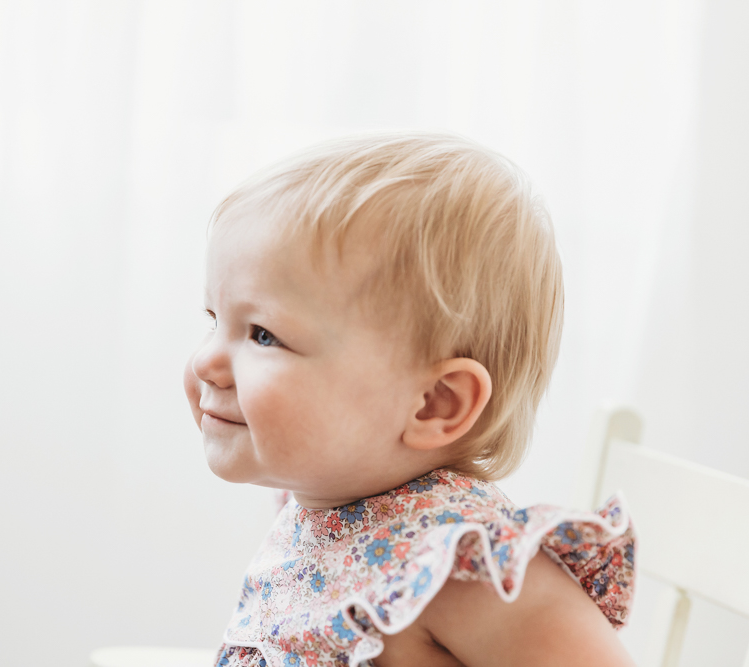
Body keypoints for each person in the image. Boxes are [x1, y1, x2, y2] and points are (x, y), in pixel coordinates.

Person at [183, 133, 636, 667]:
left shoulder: (460, 567)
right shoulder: (327, 504)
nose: (205, 362)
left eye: (263, 334)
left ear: (434, 404)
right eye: (215, 320)